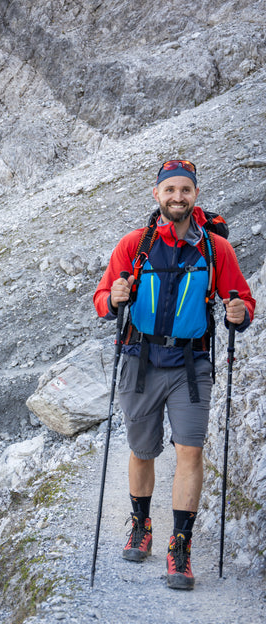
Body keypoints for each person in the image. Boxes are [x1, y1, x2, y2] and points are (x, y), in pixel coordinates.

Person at [93, 159, 256, 590]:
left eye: (186, 190)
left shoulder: (216, 249)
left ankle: (179, 545)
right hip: (139, 360)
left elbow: (241, 300)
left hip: (191, 365)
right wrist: (114, 297)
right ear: (157, 194)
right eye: (170, 190)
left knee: (190, 452)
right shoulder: (135, 245)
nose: (178, 197)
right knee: (142, 451)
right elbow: (101, 299)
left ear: (195, 194)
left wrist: (239, 313)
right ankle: (141, 524)